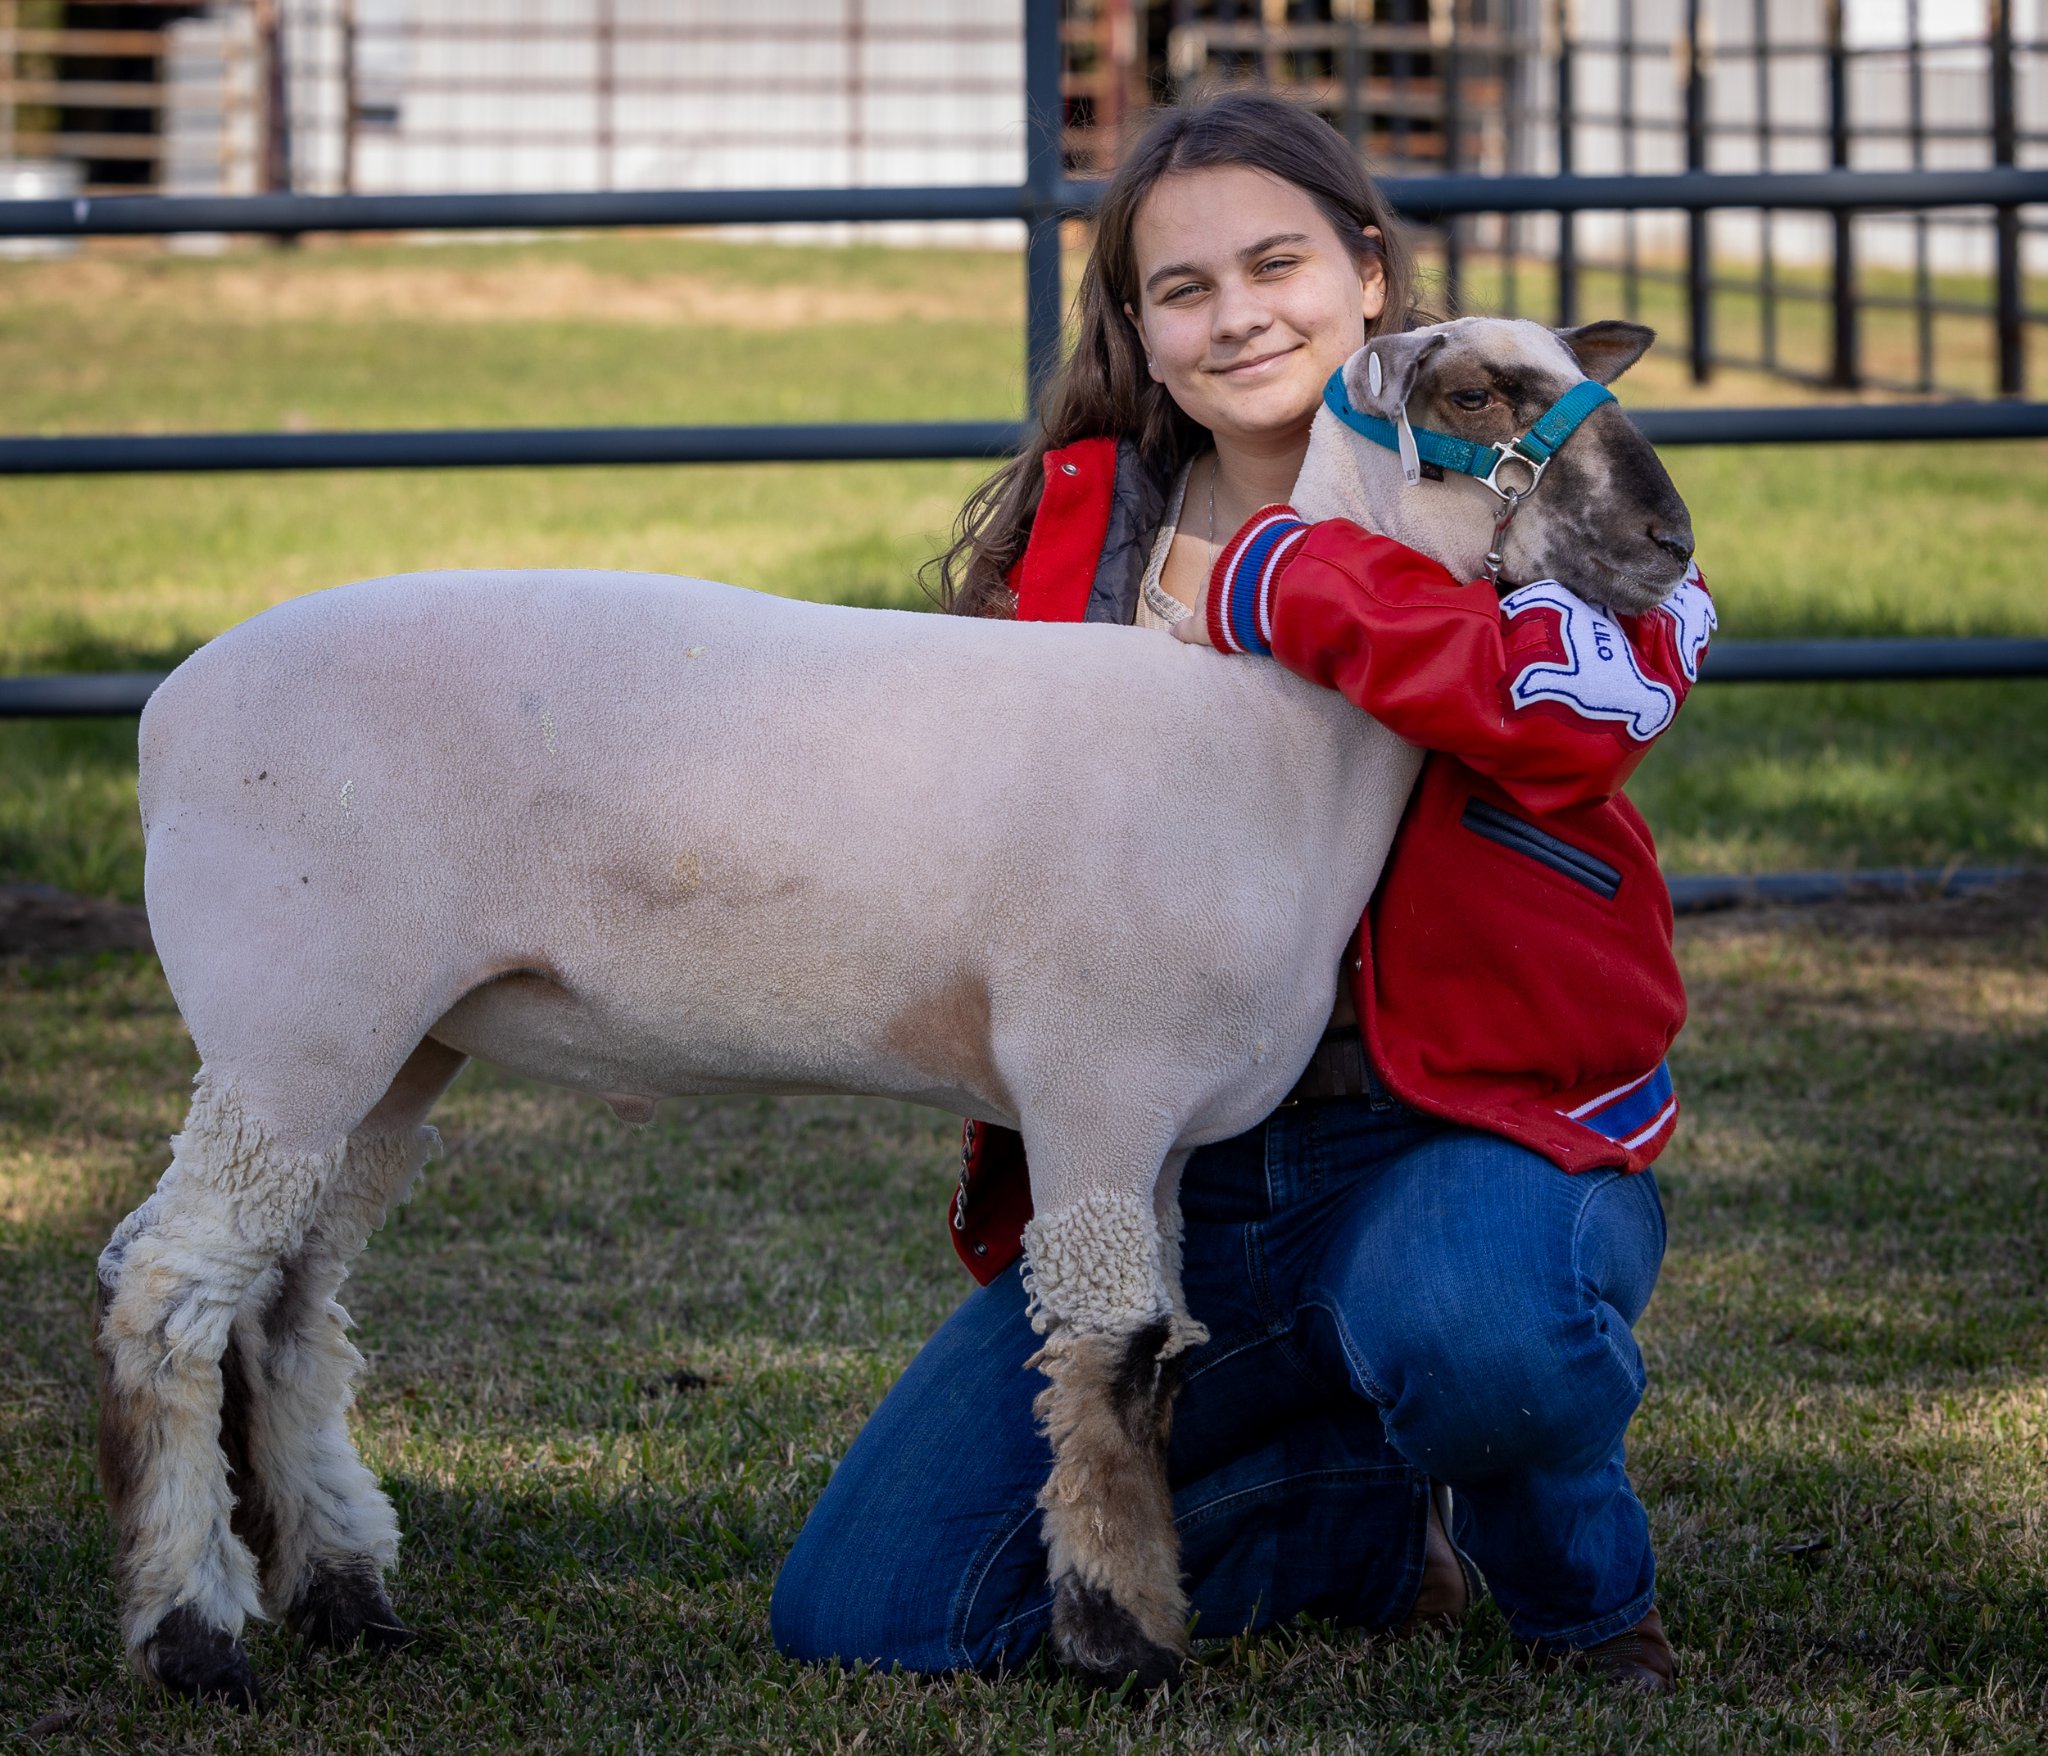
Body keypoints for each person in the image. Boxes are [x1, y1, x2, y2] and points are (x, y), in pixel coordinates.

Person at [770, 89, 1704, 1694]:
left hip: (1456, 1127)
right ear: (1137, 328)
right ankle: (1345, 1503)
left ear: (1365, 274)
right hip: (1171, 1161)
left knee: (1484, 1341)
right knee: (877, 1611)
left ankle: (1572, 1584)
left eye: (1277, 264)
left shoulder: (1524, 462)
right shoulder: (1074, 539)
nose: (1238, 315)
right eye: (1181, 289)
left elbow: (1576, 716)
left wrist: (1288, 574)